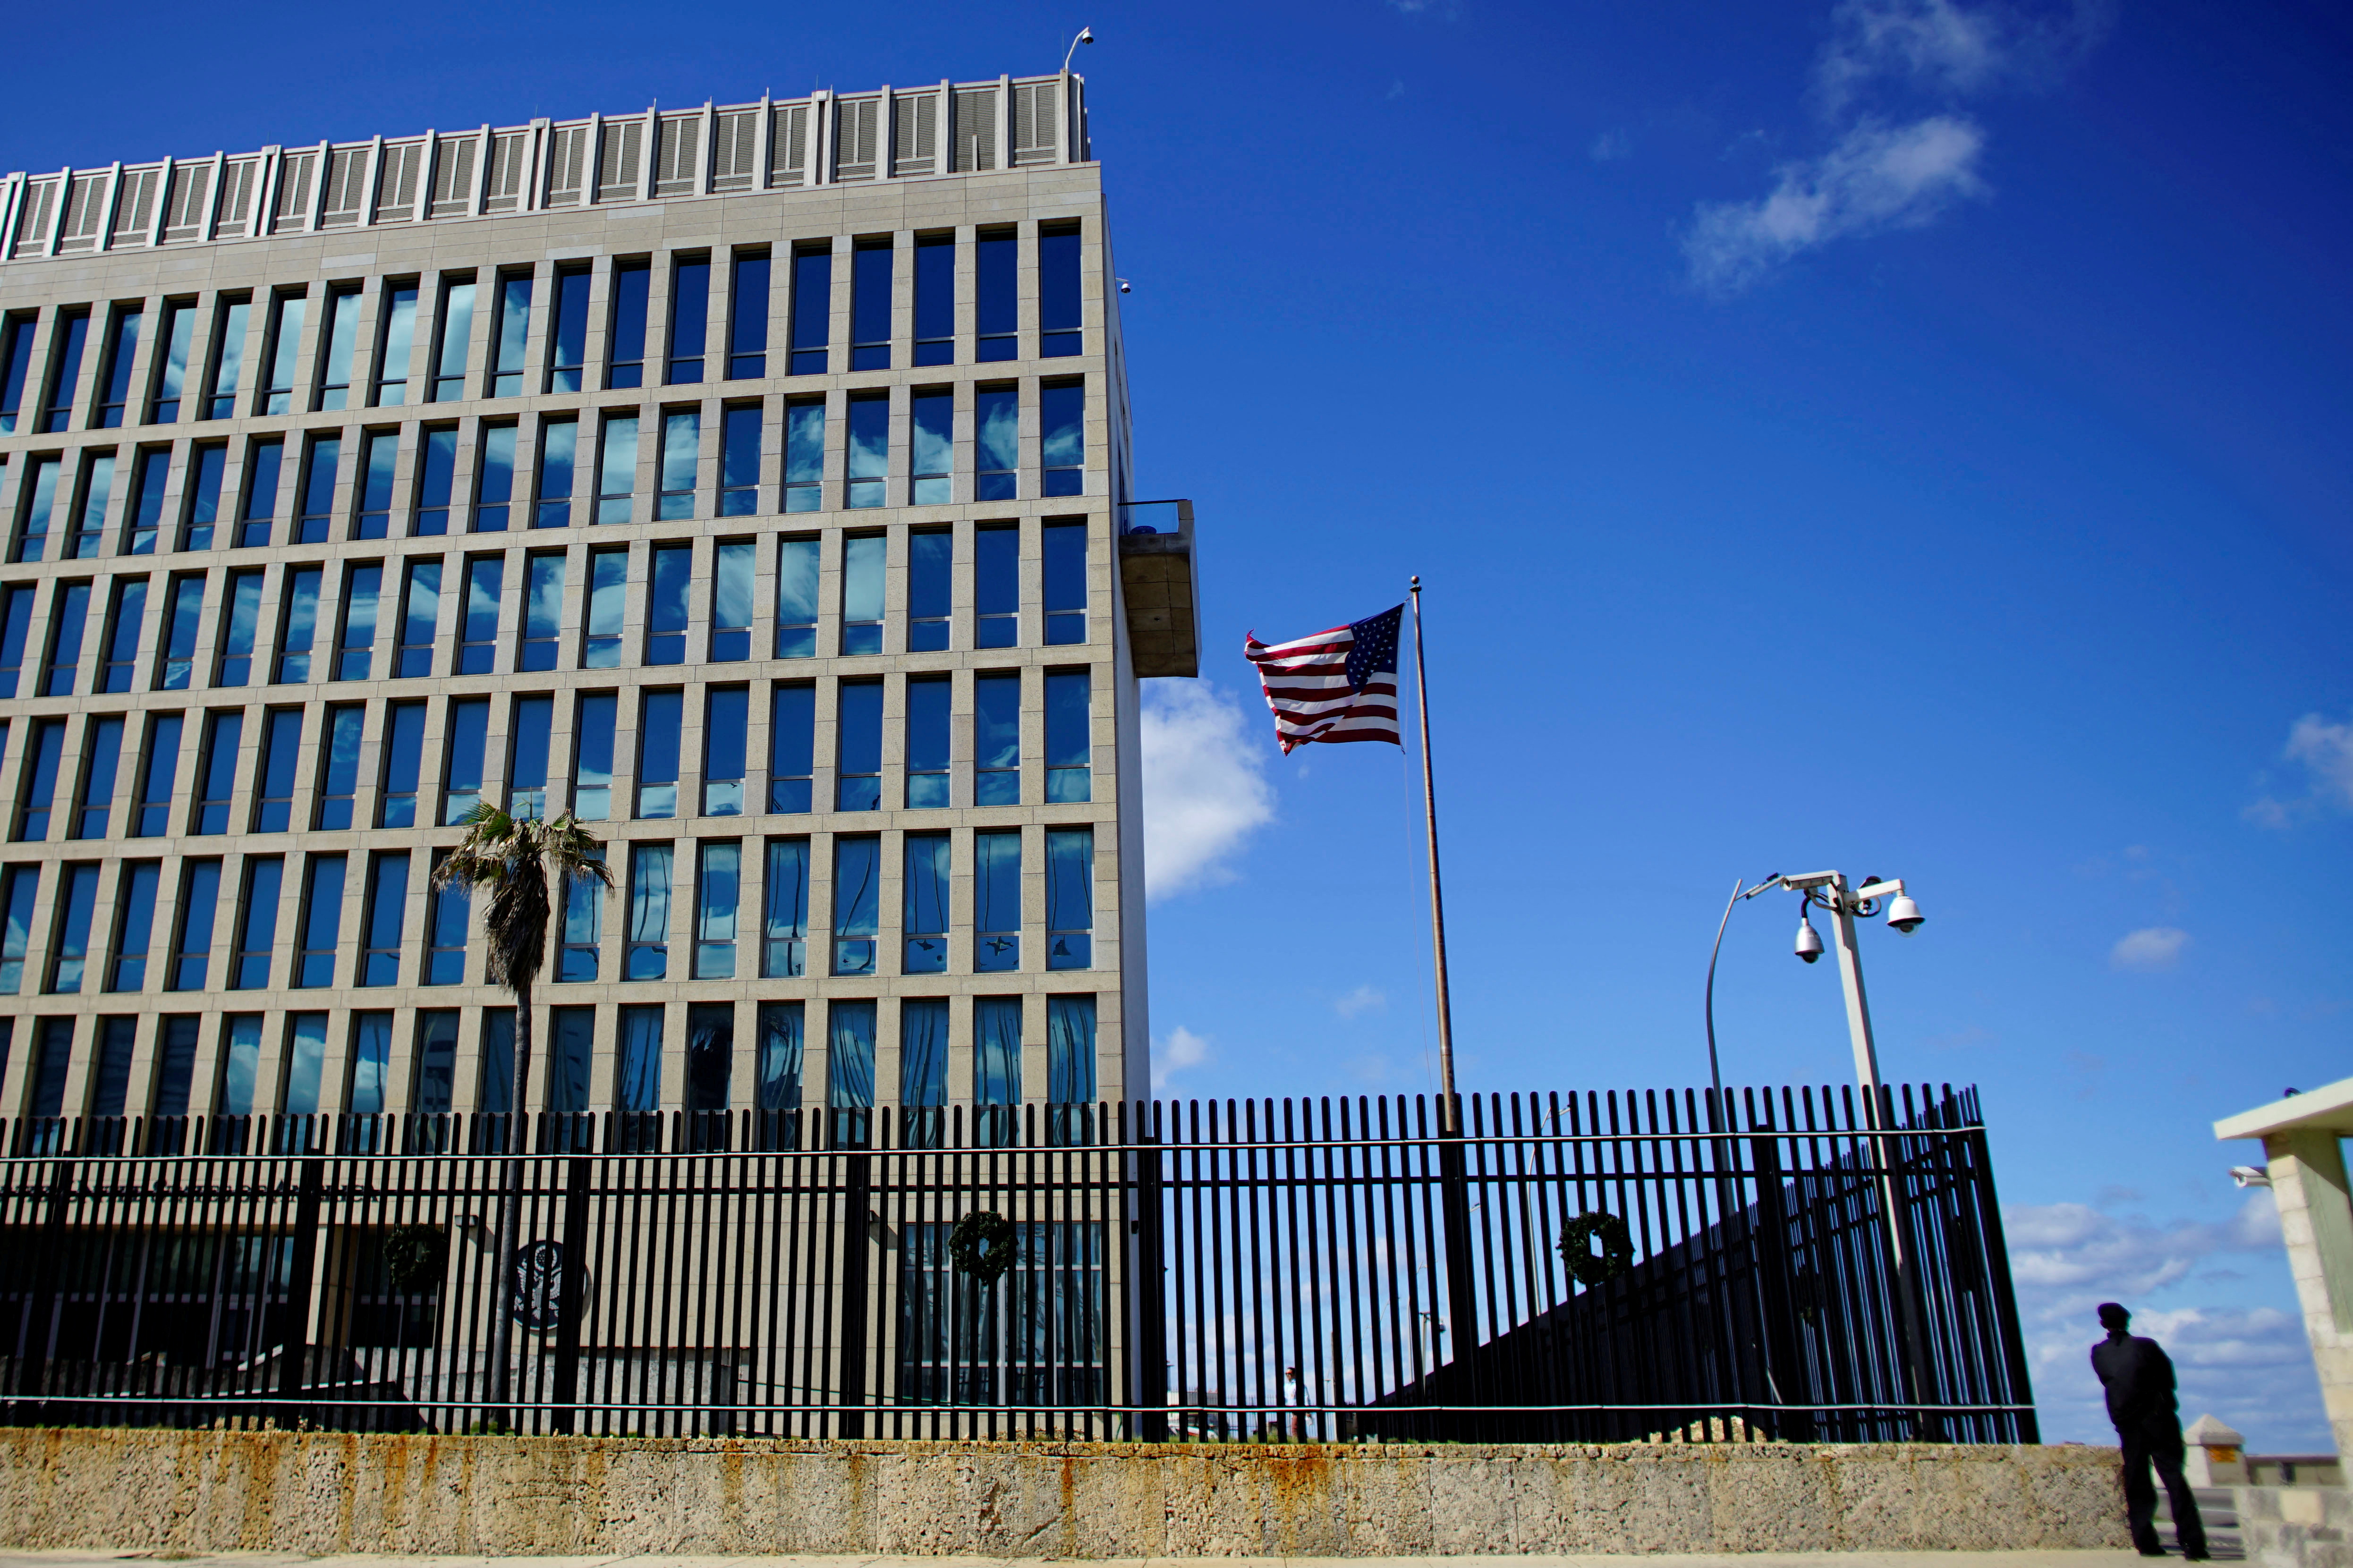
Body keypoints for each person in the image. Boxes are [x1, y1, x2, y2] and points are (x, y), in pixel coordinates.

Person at [2090, 1303, 2208, 1560]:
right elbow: (2168, 1379)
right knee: (2174, 1480)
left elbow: (2107, 1379)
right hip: (2158, 1420)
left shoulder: (2099, 1352)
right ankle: (2193, 1543)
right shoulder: (2146, 1346)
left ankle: (2145, 1541)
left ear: (2103, 1325)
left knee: (2137, 1482)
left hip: (2127, 1424)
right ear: (2128, 1320)